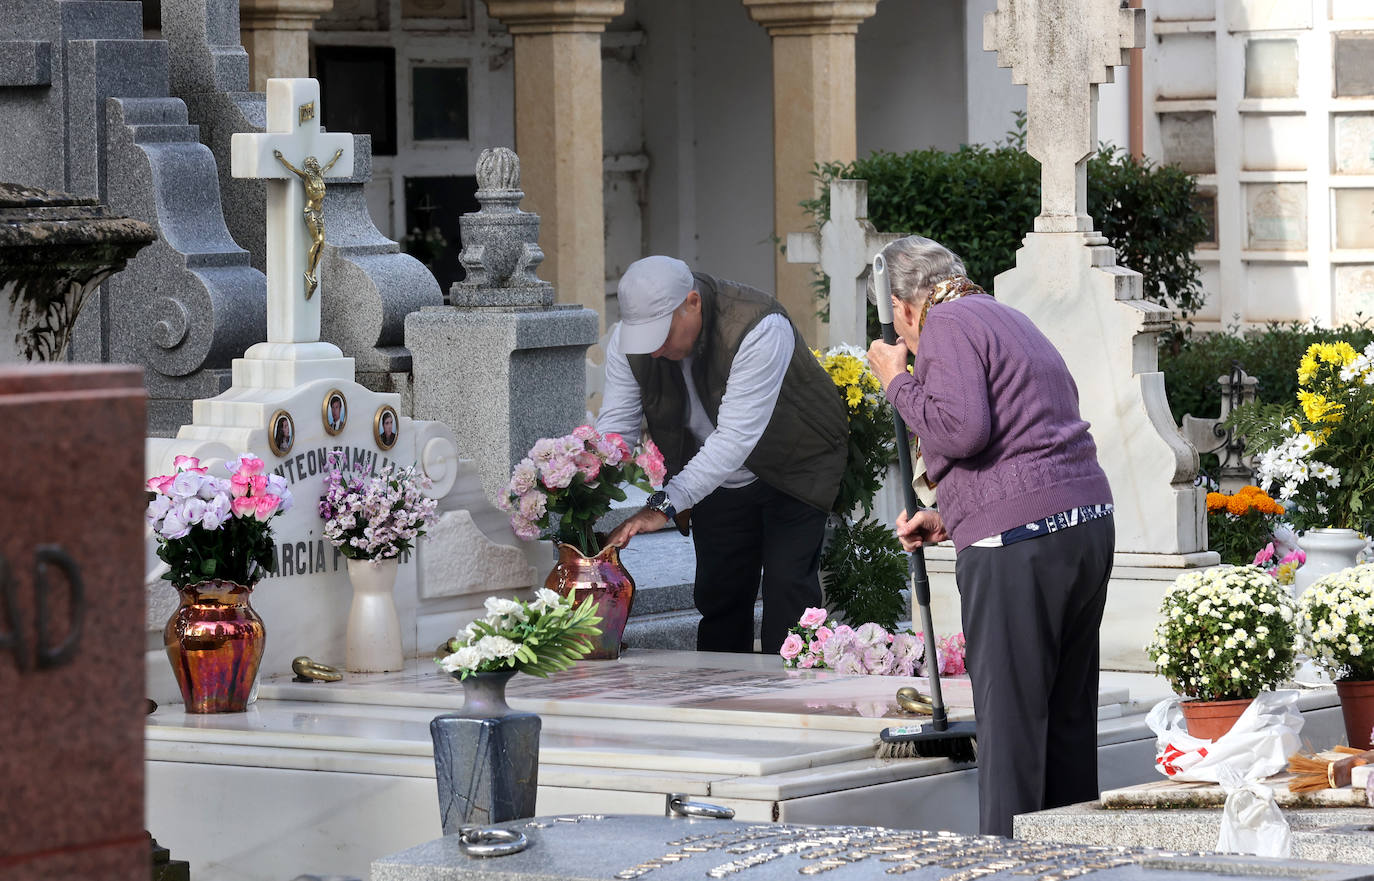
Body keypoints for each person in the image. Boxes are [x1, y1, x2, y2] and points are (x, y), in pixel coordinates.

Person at [865, 235, 1115, 838]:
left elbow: (964, 429)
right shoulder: (1007, 316)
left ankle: (1004, 866)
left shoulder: (945, 322)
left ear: (902, 307)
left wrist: (896, 381)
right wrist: (952, 517)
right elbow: (1028, 433)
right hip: (1083, 524)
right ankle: (1073, 861)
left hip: (1020, 546)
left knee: (1010, 727)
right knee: (1067, 719)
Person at [598, 255, 848, 654]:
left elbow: (734, 438)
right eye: (646, 338)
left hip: (796, 464)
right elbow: (616, 428)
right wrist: (581, 478)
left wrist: (661, 505)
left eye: (662, 333)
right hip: (711, 476)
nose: (656, 349)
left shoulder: (759, 325)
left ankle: (789, 707)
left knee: (788, 596)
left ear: (692, 302)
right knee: (720, 596)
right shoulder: (632, 345)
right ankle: (718, 704)